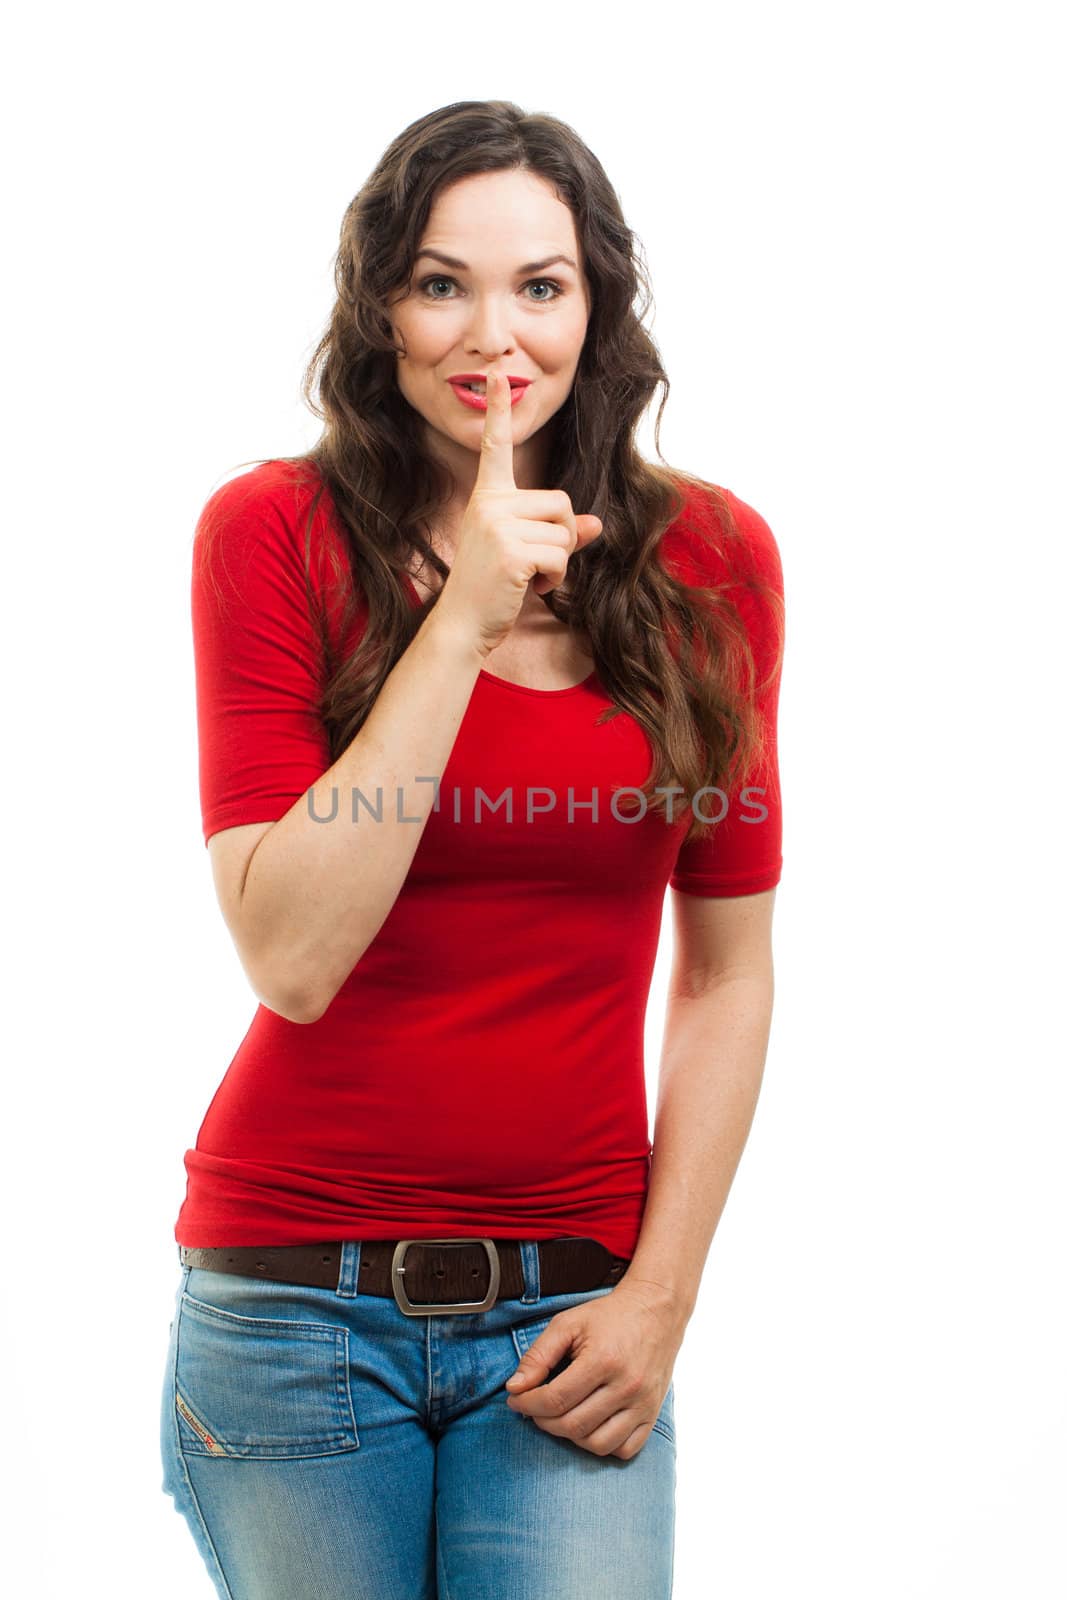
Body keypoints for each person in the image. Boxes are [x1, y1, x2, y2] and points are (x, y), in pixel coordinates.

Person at [159, 98, 785, 1600]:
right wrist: (464, 617)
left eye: (540, 285)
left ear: (597, 307)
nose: (489, 331)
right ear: (380, 305)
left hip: (574, 1315)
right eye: (441, 282)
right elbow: (292, 957)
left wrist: (662, 1302)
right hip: (292, 1315)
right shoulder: (271, 536)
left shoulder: (716, 562)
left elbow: (727, 976)